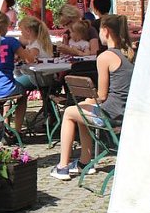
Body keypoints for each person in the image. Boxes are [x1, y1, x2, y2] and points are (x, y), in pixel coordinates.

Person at [50, 14, 135, 180]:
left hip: (112, 114)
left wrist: (89, 100)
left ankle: (62, 166)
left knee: (69, 112)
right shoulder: (129, 54)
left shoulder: (105, 57)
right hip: (126, 110)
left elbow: (102, 95)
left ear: (106, 31)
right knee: (81, 110)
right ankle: (84, 162)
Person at [0, 13, 32, 138]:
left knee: (0, 101)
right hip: (7, 86)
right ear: (4, 27)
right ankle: (18, 130)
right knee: (22, 94)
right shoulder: (11, 42)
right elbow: (28, 59)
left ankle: (1, 128)